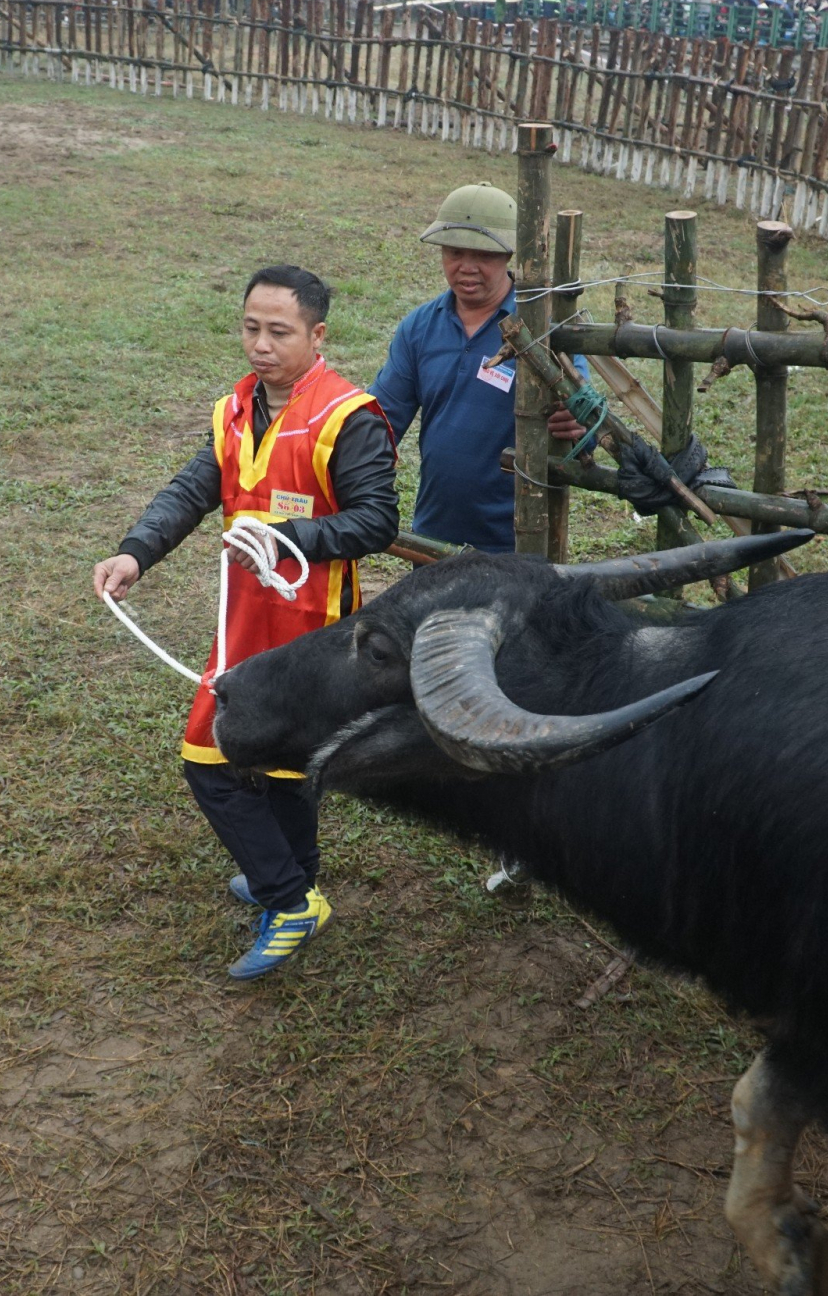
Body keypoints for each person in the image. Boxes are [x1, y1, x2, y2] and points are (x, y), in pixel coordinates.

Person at [92, 266, 397, 981]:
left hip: (313, 633)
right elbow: (195, 489)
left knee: (215, 761)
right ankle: (290, 876)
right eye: (251, 328)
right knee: (274, 764)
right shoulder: (233, 409)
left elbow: (376, 520)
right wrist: (136, 553)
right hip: (241, 625)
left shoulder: (347, 417)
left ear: (317, 336)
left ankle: (288, 898)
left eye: (279, 332)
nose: (260, 345)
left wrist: (289, 537)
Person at [369, 183, 589, 552]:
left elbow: (584, 419)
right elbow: (380, 420)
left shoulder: (546, 328)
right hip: (433, 536)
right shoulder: (420, 327)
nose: (466, 267)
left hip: (518, 541)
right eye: (455, 252)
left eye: (483, 255)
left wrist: (577, 423)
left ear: (507, 255)